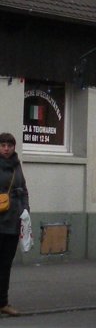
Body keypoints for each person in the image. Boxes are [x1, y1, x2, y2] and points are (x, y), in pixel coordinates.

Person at [0, 132, 29, 316]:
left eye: (9, 145)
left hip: (12, 223)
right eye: (3, 145)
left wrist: (25, 211)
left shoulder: (17, 166)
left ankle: (3, 302)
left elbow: (24, 190)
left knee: (5, 265)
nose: (6, 148)